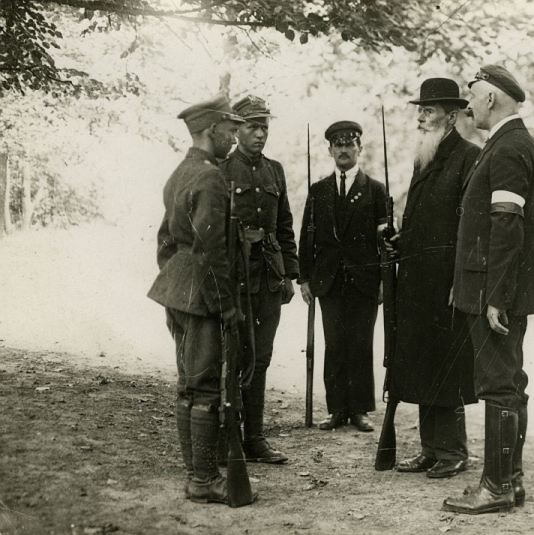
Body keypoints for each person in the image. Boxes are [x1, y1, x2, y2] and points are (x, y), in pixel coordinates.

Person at [443, 65, 534, 515]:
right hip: (491, 287)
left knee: (499, 385)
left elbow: (508, 227)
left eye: (474, 96)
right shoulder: (510, 144)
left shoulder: (508, 149)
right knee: (508, 382)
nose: (468, 106)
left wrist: (496, 297)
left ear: (491, 100)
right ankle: (511, 481)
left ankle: (497, 486)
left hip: (494, 292)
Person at [147, 94, 251, 504]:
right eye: (229, 130)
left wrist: (176, 280)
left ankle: (197, 474)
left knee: (188, 385)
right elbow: (212, 250)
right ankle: (204, 480)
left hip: (180, 291)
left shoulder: (181, 172)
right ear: (212, 130)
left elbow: (165, 242)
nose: (234, 137)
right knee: (206, 387)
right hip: (204, 296)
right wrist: (225, 305)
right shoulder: (210, 178)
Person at [387, 78, 480, 479]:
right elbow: (425, 218)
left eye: (429, 110)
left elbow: (466, 225)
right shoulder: (423, 156)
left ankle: (453, 450)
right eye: (419, 110)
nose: (421, 117)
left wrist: (459, 277)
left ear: (453, 115)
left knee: (447, 363)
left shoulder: (469, 156)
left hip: (446, 280)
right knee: (424, 361)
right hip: (417, 279)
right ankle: (431, 448)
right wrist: (401, 240)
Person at [219, 95, 299, 464]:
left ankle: (255, 437)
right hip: (236, 277)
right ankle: (227, 435)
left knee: (262, 357)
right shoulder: (222, 169)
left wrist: (290, 275)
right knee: (233, 356)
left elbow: (284, 225)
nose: (260, 133)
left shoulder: (275, 171)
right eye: (253, 126)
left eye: (265, 126)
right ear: (236, 129)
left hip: (268, 276)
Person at [298, 121, 387, 432]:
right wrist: (304, 277)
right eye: (338, 145)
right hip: (330, 280)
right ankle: (337, 410)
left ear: (359, 149)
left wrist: (384, 281)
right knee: (334, 344)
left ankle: (360, 410)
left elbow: (384, 241)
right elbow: (306, 238)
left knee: (361, 344)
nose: (344, 149)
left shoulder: (375, 190)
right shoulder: (318, 191)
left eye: (350, 144)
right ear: (330, 151)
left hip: (365, 281)